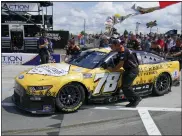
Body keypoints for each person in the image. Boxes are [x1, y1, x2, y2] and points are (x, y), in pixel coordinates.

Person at [108, 39, 142, 107]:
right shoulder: (120, 50)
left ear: (117, 45)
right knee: (124, 87)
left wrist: (112, 70)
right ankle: (132, 101)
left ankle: (137, 98)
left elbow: (120, 64)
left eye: (112, 46)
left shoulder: (124, 52)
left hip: (132, 70)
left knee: (126, 86)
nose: (111, 47)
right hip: (127, 70)